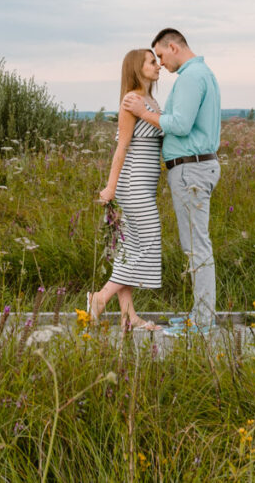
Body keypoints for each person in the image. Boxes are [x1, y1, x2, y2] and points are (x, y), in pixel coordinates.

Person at [123, 28, 221, 336]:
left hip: (192, 169)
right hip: (196, 167)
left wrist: (142, 112)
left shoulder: (191, 77)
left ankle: (202, 322)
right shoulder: (202, 73)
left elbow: (180, 125)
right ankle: (199, 315)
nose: (161, 63)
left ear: (174, 47)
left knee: (196, 247)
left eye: (162, 55)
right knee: (195, 245)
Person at [87, 48, 165, 331]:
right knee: (149, 242)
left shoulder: (150, 101)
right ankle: (100, 298)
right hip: (132, 185)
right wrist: (110, 187)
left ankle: (128, 318)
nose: (158, 65)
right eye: (152, 62)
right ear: (137, 67)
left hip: (144, 185)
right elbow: (121, 147)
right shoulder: (132, 100)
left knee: (130, 250)